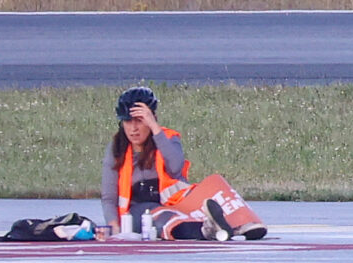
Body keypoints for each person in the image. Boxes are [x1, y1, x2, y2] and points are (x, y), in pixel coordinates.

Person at [102, 86, 267, 241]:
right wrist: (114, 226)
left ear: (152, 118)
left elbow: (175, 168)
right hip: (141, 211)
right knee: (165, 218)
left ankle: (242, 223)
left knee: (216, 185)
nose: (133, 129)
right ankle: (205, 231)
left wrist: (155, 129)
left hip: (176, 202)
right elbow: (109, 197)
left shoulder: (167, 137)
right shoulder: (116, 149)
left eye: (139, 120)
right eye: (128, 122)